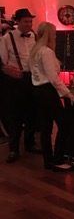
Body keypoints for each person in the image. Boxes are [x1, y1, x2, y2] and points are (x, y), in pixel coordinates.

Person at [29, 22, 74, 172]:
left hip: (37, 91)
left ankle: (48, 161)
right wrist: (68, 94)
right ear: (49, 35)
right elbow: (53, 78)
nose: (56, 37)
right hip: (47, 92)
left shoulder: (35, 50)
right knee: (64, 124)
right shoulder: (46, 52)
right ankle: (58, 159)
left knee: (46, 127)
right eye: (54, 34)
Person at [0, 8, 41, 163]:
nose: (29, 24)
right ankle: (13, 149)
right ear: (17, 22)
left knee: (32, 113)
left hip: (32, 78)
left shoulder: (35, 36)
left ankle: (30, 144)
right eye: (26, 21)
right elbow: (2, 61)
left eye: (30, 21)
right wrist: (6, 69)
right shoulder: (7, 38)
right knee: (15, 116)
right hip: (15, 81)